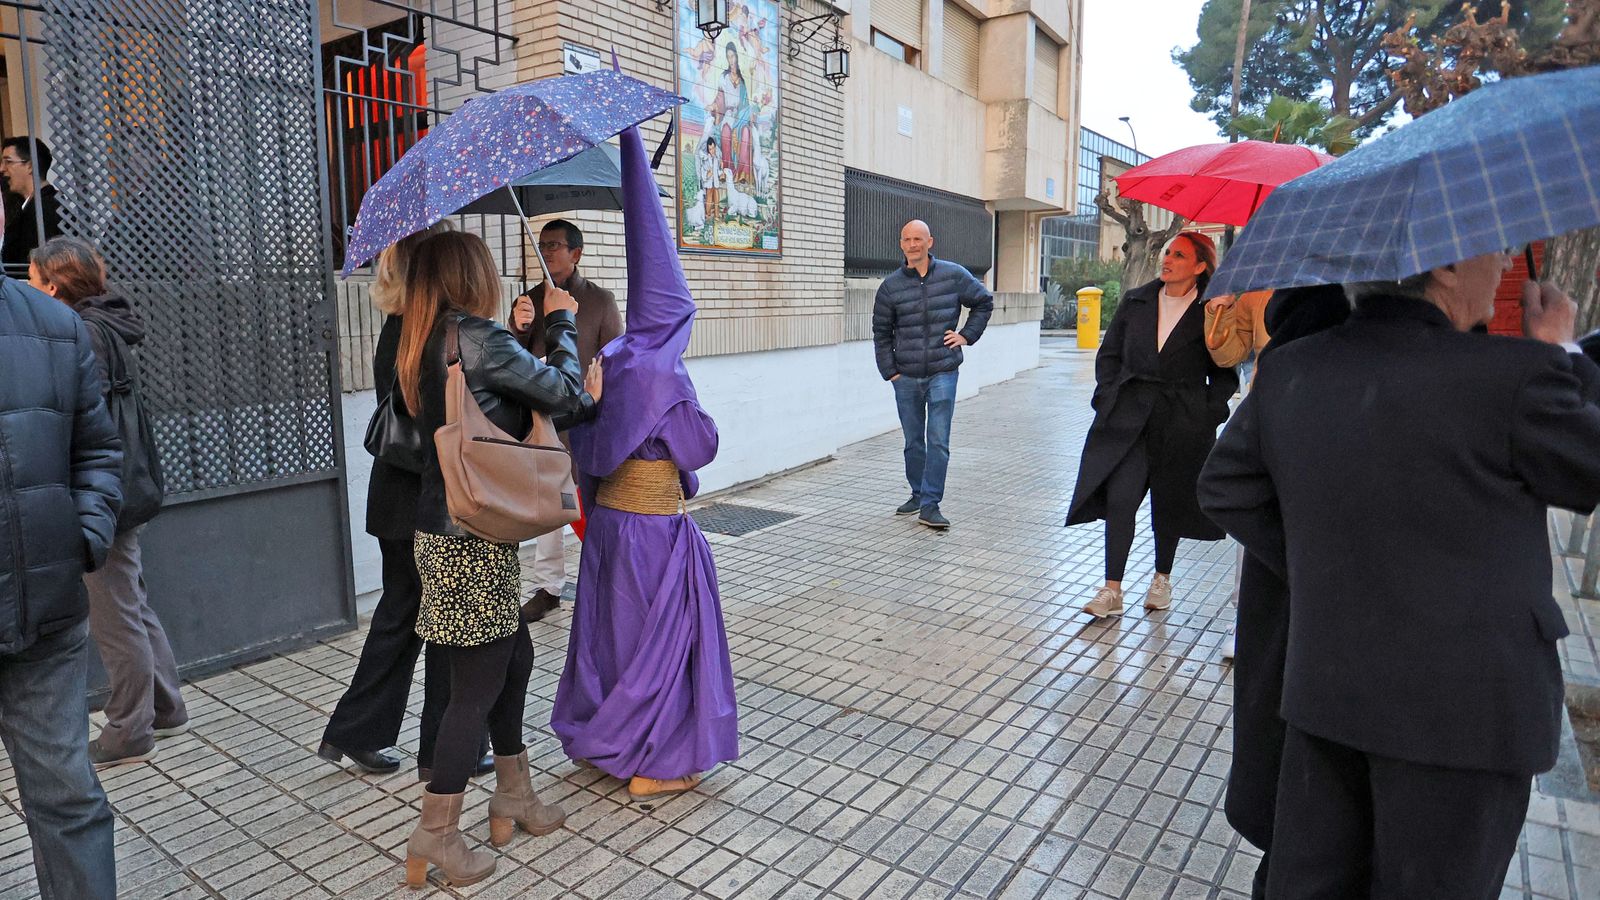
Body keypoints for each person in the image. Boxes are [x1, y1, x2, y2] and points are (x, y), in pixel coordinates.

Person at [1199, 253, 1600, 898]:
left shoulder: (1293, 367)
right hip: (1466, 716)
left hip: (1326, 694)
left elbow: (1224, 486)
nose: (1501, 268)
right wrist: (1564, 349)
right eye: (1491, 252)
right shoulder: (1515, 377)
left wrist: (1326, 565)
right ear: (1442, 269)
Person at [398, 230, 601, 887]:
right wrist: (563, 320)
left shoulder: (423, 335)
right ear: (470, 276)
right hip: (471, 539)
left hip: (446, 530)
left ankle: (514, 793)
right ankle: (436, 832)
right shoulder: (477, 336)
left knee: (514, 655)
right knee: (475, 688)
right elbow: (567, 396)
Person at [553, 123, 739, 803]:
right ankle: (655, 762)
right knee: (656, 648)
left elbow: (588, 439)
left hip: (609, 526)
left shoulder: (615, 357)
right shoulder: (665, 371)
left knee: (610, 638)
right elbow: (700, 448)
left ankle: (604, 745)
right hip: (654, 531)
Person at [317, 222, 495, 782]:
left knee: (401, 616)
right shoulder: (445, 332)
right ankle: (443, 749)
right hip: (429, 500)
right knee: (443, 624)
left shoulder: (404, 325)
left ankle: (359, 731)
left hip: (397, 498)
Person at [27, 236, 188, 770]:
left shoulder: (80, 334)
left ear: (53, 286)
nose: (27, 288)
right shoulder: (109, 323)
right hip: (124, 485)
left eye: (31, 279)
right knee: (130, 601)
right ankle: (165, 704)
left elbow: (75, 424)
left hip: (102, 494)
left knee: (113, 614)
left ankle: (129, 728)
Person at [1214, 284, 1350, 900]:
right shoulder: (1312, 343)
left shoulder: (1300, 352)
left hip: (1296, 611)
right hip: (1306, 615)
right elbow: (1223, 484)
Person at [0, 206, 120, 898]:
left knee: (68, 800)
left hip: (45, 614)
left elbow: (98, 449)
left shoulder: (52, 323)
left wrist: (84, 534)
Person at [1066, 232, 1238, 617]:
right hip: (1130, 415)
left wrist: (1208, 412)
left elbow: (1226, 372)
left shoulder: (1211, 309)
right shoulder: (1137, 300)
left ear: (1199, 266)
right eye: (1166, 252)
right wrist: (1106, 398)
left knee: (1170, 501)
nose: (1168, 259)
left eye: (1179, 255)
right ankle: (1112, 588)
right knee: (1121, 498)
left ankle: (1162, 577)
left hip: (1182, 421)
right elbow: (1109, 354)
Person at [508, 219, 622, 623]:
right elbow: (514, 360)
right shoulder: (530, 299)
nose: (547, 251)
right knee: (547, 506)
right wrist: (518, 328)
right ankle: (548, 587)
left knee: (591, 503)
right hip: (546, 421)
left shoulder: (601, 300)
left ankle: (608, 580)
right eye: (542, 244)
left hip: (589, 420)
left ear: (576, 253)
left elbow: (616, 361)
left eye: (555, 245)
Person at [871, 219, 994, 530]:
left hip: (943, 370)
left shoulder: (953, 275)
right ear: (901, 245)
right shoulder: (891, 287)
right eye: (907, 239)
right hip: (906, 377)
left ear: (930, 242)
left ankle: (930, 504)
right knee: (914, 441)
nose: (913, 245)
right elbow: (881, 333)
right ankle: (917, 493)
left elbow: (983, 302)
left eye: (918, 239)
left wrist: (966, 335)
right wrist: (891, 373)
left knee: (938, 439)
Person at [1202, 287, 1274, 661]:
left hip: (1332, 402)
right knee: (1255, 510)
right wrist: (1220, 311)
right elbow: (1229, 353)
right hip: (1267, 405)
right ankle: (1243, 615)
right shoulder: (1258, 291)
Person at [1, 137, 61, 278]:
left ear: (30, 166)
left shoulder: (44, 209)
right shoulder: (31, 206)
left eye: (8, 162)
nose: (2, 169)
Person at [714, 44, 755, 187]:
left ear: (737, 56)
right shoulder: (723, 77)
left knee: (745, 133)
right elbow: (719, 98)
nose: (731, 60)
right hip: (729, 115)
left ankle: (743, 173)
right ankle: (727, 171)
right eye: (728, 56)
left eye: (733, 56)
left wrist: (749, 115)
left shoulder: (743, 81)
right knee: (725, 131)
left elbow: (746, 103)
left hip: (741, 116)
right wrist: (714, 107)